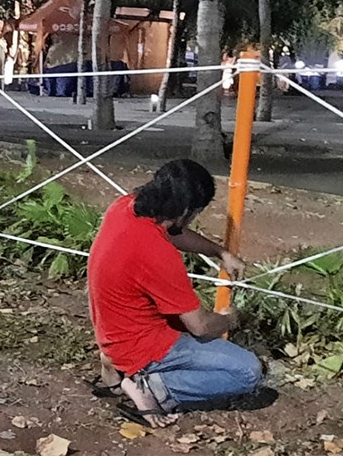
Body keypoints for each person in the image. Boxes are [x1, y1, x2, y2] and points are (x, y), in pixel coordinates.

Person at [88, 159, 262, 428]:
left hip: (111, 328)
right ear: (187, 211)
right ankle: (152, 387)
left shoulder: (125, 207)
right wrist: (230, 319)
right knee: (248, 371)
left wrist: (220, 252)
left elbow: (173, 233)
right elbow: (201, 327)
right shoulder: (158, 254)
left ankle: (114, 364)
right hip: (141, 344)